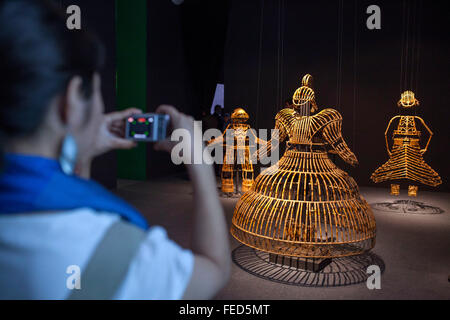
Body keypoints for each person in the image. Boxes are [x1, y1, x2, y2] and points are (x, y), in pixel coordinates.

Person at [0, 0, 230, 300]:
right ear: (70, 101)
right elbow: (212, 271)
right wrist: (199, 160)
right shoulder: (107, 246)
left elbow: (56, 194)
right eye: (96, 93)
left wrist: (80, 149)